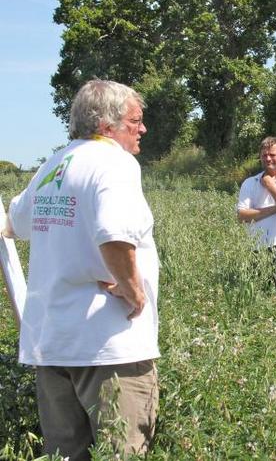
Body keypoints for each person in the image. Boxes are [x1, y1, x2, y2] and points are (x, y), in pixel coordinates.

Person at [4, 80, 159, 459]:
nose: (143, 129)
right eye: (134, 121)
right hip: (108, 348)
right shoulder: (116, 163)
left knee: (66, 453)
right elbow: (115, 235)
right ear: (107, 126)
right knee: (121, 451)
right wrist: (134, 290)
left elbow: (13, 223)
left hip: (53, 345)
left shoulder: (54, 163)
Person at [237, 137, 276, 285]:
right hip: (258, 250)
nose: (268, 158)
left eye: (272, 155)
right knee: (260, 298)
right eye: (264, 155)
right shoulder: (250, 183)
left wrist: (270, 186)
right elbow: (242, 216)